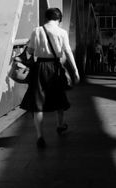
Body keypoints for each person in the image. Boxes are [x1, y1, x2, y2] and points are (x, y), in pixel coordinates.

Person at [20, 8, 80, 148]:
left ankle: (40, 136)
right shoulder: (62, 32)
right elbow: (67, 51)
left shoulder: (37, 31)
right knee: (59, 97)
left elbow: (29, 51)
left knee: (38, 103)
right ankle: (59, 125)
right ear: (59, 19)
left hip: (39, 67)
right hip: (55, 67)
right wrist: (75, 71)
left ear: (46, 18)